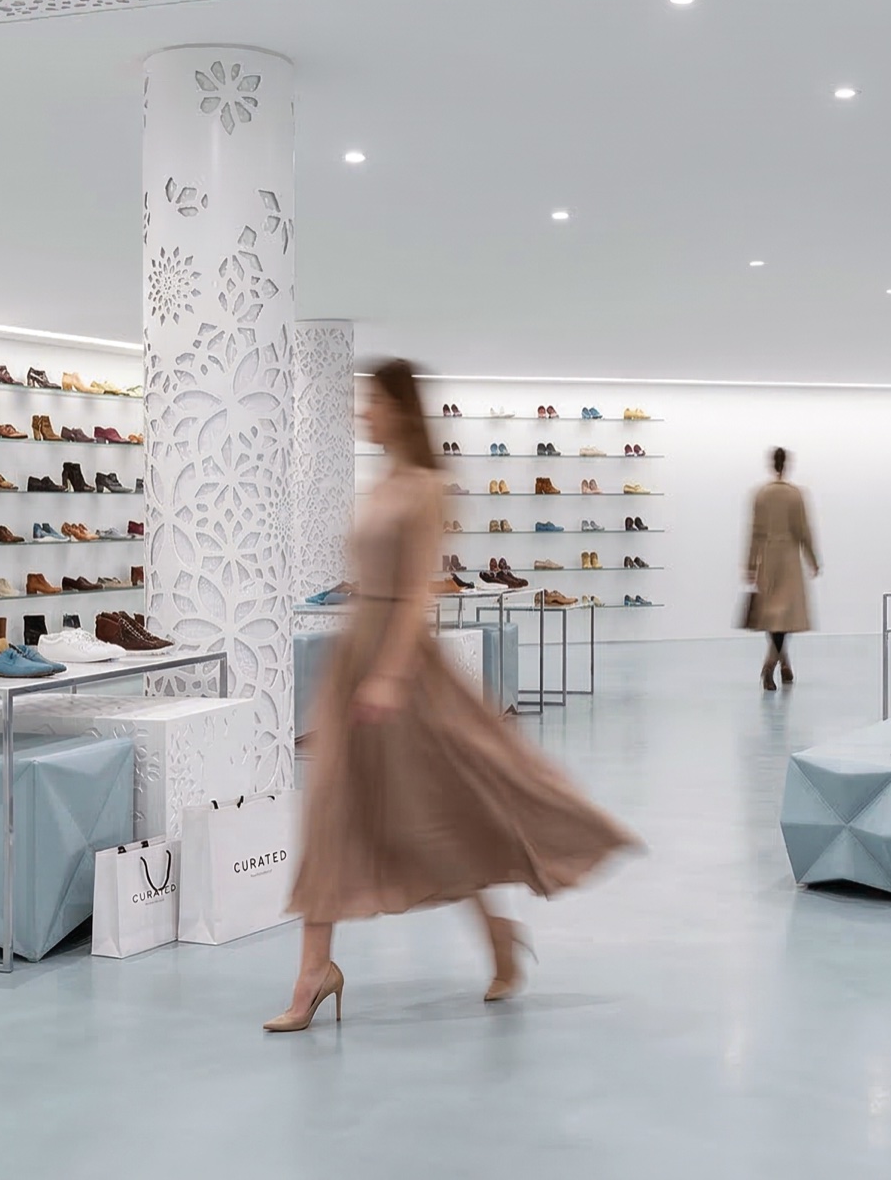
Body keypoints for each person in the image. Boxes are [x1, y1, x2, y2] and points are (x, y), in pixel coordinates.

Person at [269, 359, 638, 1031]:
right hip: (357, 656)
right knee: (331, 809)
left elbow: (416, 591)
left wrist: (388, 673)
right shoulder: (383, 483)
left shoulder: (428, 488)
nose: (362, 413)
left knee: (436, 813)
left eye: (372, 402)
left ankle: (496, 931)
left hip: (399, 666)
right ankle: (314, 969)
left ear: (400, 408)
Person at [744, 446, 821, 691]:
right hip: (789, 559)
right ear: (786, 464)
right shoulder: (796, 494)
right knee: (784, 616)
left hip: (767, 558)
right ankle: (770, 665)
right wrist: (812, 558)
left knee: (773, 616)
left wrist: (750, 564)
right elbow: (803, 530)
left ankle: (784, 663)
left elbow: (754, 532)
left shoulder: (761, 494)